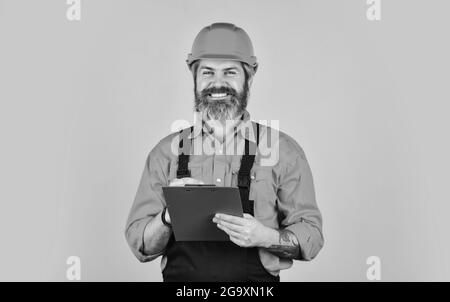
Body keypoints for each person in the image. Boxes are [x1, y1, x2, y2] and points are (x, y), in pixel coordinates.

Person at [125, 22, 324, 282]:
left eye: (229, 72)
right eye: (207, 72)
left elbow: (312, 236)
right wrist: (167, 217)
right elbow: (141, 245)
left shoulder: (283, 152)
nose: (217, 84)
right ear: (194, 77)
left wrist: (266, 237)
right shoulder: (166, 154)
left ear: (249, 77)